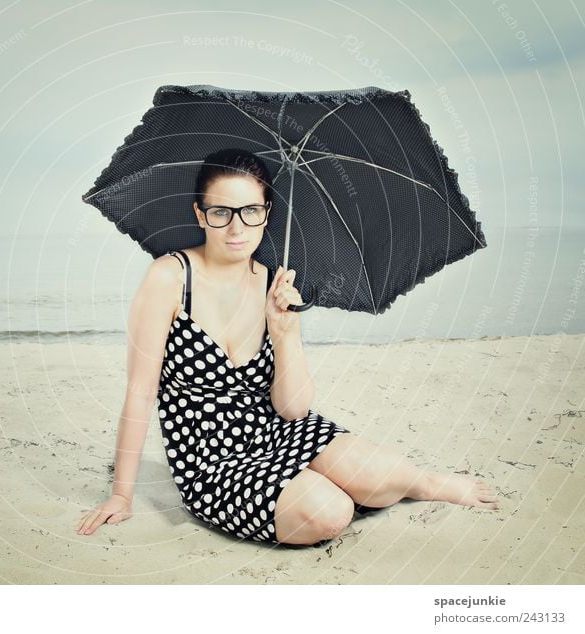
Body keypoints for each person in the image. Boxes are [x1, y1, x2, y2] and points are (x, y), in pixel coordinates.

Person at [76, 148, 499, 545]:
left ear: (266, 213)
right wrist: (122, 495)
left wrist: (285, 332)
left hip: (281, 430)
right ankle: (328, 488)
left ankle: (426, 484)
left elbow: (293, 409)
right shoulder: (169, 277)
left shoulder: (273, 282)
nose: (237, 227)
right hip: (213, 460)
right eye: (221, 212)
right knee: (330, 513)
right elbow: (140, 391)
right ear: (200, 215)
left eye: (251, 211)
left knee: (392, 474)